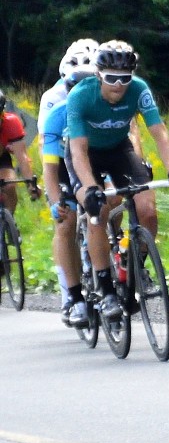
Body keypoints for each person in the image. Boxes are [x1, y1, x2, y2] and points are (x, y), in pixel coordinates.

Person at [64, 40, 169, 322]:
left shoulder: (139, 90)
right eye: (111, 78)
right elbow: (78, 150)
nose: (119, 85)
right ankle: (106, 290)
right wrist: (91, 188)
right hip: (85, 154)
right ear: (98, 75)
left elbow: (160, 133)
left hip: (120, 150)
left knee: (148, 211)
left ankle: (135, 270)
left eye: (125, 78)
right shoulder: (81, 96)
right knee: (97, 211)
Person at [38, 39, 101, 322]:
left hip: (95, 156)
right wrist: (55, 200)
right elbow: (48, 154)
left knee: (109, 206)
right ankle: (71, 294)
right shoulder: (53, 102)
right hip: (63, 162)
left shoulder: (109, 94)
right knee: (66, 222)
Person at [0, 89, 41, 215]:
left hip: (2, 158)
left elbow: (22, 158)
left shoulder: (11, 123)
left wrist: (30, 183)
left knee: (9, 185)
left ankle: (8, 220)